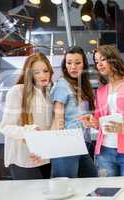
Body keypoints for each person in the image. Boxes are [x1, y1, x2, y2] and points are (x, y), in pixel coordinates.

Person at [80, 45, 124, 177]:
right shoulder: (100, 91)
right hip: (104, 152)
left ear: (113, 59)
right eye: (96, 62)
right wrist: (91, 121)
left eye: (103, 59)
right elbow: (99, 121)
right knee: (107, 193)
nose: (99, 64)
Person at [0, 52, 53, 180]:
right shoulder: (17, 91)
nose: (43, 75)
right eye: (36, 72)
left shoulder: (49, 94)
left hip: (45, 157)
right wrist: (30, 130)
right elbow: (5, 127)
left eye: (45, 71)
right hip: (23, 158)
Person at [50, 46, 97, 178]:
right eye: (69, 63)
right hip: (67, 143)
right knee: (67, 186)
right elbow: (58, 116)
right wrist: (59, 142)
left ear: (84, 64)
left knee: (90, 181)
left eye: (77, 63)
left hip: (82, 143)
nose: (73, 67)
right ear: (65, 65)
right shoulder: (62, 84)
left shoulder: (83, 86)